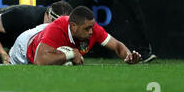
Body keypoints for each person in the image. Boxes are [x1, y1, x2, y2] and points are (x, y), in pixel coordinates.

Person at [8, 6, 142, 65]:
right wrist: (71, 54)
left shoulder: (93, 28)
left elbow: (117, 46)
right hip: (25, 47)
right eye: (87, 29)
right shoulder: (58, 27)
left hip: (47, 41)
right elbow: (39, 61)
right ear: (73, 26)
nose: (91, 32)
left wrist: (129, 56)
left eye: (91, 28)